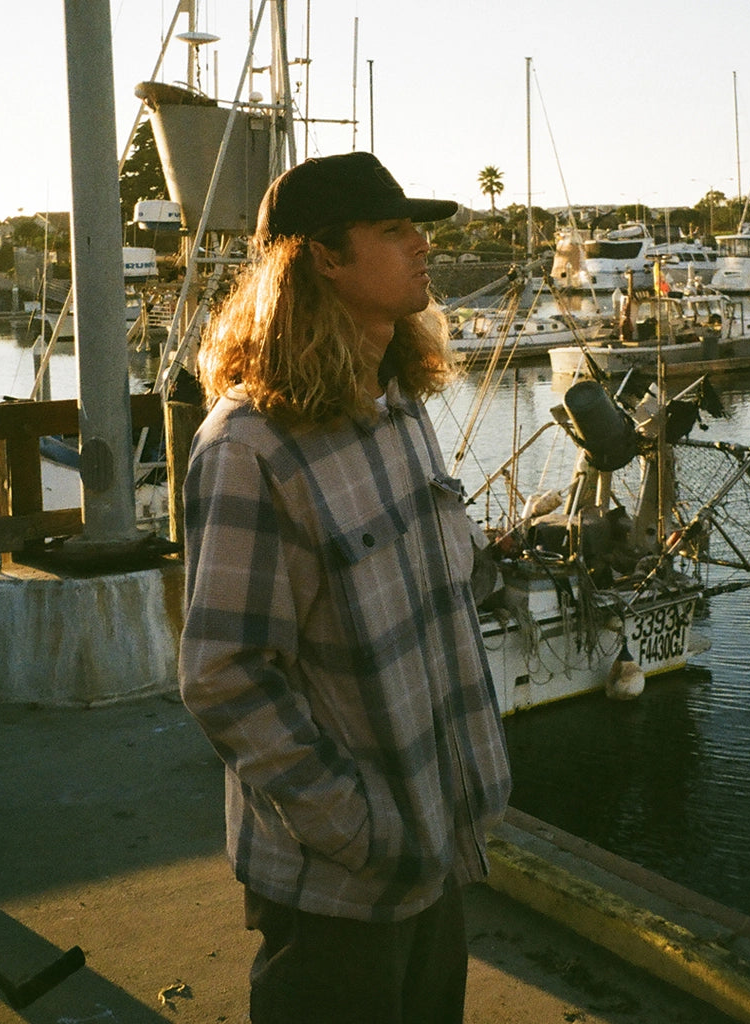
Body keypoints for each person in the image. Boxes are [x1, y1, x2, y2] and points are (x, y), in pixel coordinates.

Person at [177, 151, 512, 1024]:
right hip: (338, 895)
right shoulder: (251, 448)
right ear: (323, 257)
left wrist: (433, 828)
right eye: (394, 229)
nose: (422, 245)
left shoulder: (399, 406)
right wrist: (363, 834)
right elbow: (226, 674)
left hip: (436, 860)